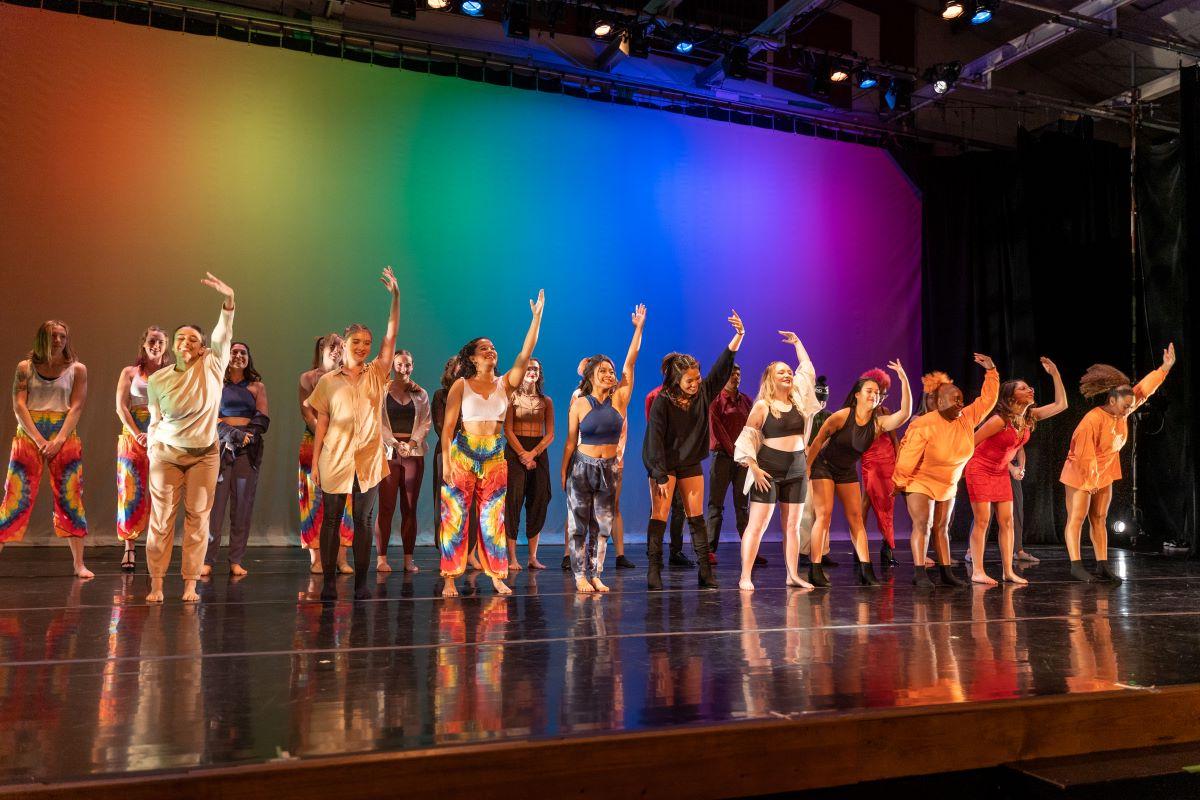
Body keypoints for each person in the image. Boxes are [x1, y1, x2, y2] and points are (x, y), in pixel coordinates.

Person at [439, 290, 545, 597]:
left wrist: (536, 319)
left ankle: (497, 575)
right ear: (472, 357)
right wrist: (446, 462)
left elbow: (525, 354)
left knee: (493, 516)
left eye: (493, 348)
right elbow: (447, 429)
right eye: (484, 349)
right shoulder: (461, 385)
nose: (491, 351)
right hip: (463, 452)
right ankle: (450, 576)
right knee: (456, 514)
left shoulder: (505, 383)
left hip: (495, 454)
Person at [306, 267, 401, 602]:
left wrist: (395, 298)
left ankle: (361, 583)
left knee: (363, 520)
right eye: (356, 342)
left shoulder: (377, 373)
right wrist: (315, 464)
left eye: (367, 343)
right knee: (331, 519)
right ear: (343, 344)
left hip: (369, 458)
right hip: (334, 456)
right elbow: (321, 426)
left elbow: (391, 336)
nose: (362, 347)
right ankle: (329, 583)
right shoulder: (327, 382)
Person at [144, 274, 237, 602]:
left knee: (198, 519)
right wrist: (152, 446)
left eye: (193, 339)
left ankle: (189, 585)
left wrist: (228, 301)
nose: (186, 342)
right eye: (180, 338)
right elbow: (155, 420)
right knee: (161, 519)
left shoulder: (213, 365)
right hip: (167, 453)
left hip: (204, 455)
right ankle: (156, 583)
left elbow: (223, 335)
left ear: (201, 348)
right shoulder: (157, 379)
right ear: (173, 345)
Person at [642, 311, 744, 590]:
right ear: (677, 380)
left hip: (689, 463)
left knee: (695, 516)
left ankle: (705, 572)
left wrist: (738, 337)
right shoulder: (663, 401)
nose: (696, 383)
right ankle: (654, 570)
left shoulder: (702, 393)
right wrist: (659, 474)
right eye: (690, 380)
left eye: (698, 378)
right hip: (664, 464)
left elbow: (721, 369)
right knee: (660, 514)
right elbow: (654, 439)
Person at [1060, 344, 1175, 583]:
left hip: (1103, 472)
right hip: (1080, 472)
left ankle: (1102, 565)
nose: (1128, 411)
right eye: (1125, 406)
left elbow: (1143, 391)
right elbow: (1084, 455)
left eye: (1130, 407)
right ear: (1112, 400)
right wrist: (1090, 481)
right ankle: (1076, 565)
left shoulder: (1123, 409)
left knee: (1100, 518)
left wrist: (1164, 368)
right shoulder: (1092, 420)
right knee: (1078, 517)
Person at [893, 354, 998, 588]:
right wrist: (899, 482)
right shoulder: (923, 424)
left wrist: (991, 371)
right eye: (955, 399)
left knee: (942, 528)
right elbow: (907, 456)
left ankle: (946, 572)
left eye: (961, 399)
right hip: (920, 480)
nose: (961, 403)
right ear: (939, 402)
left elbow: (987, 400)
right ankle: (920, 573)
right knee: (924, 524)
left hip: (948, 483)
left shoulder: (966, 418)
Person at [806, 360, 912, 587]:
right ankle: (815, 569)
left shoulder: (878, 423)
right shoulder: (842, 416)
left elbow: (904, 414)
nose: (874, 395)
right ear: (857, 394)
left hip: (845, 471)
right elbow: (816, 443)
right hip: (823, 466)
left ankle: (866, 570)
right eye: (869, 391)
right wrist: (807, 469)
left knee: (856, 519)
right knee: (824, 516)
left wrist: (904, 380)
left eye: (877, 392)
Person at [562, 305, 646, 593]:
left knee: (603, 526)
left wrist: (638, 329)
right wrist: (564, 472)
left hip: (609, 468)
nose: (610, 374)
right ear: (592, 376)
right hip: (582, 466)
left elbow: (630, 363)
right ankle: (579, 575)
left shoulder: (620, 398)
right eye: (604, 371)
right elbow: (570, 442)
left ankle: (596, 573)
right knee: (579, 525)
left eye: (611, 371)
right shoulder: (580, 403)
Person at [0, 320, 91, 577]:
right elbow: (19, 406)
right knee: (15, 495)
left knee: (71, 495)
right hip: (31, 433)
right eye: (53, 336)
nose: (58, 341)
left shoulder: (77, 369)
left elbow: (76, 407)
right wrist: (40, 440)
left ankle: (78, 564)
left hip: (63, 433)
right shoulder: (25, 368)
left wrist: (59, 440)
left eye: (62, 336)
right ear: (42, 338)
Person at [732, 332, 822, 592]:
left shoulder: (799, 401)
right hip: (768, 469)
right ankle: (745, 576)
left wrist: (798, 343)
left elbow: (807, 370)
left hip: (796, 468)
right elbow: (747, 438)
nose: (787, 374)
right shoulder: (762, 405)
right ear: (771, 378)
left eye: (788, 371)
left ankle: (792, 574)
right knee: (757, 525)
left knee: (793, 526)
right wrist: (754, 467)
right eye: (781, 372)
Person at [964, 357, 1066, 585]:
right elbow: (970, 444)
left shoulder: (1029, 418)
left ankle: (1008, 571)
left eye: (1029, 387)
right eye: (1022, 388)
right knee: (982, 520)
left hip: (999, 473)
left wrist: (1055, 374)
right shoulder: (999, 420)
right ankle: (978, 571)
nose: (1029, 389)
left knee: (1007, 521)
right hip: (980, 468)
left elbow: (1061, 405)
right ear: (1011, 397)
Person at [204, 341, 270, 576]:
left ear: (248, 358)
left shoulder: (256, 387)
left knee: (242, 506)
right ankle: (208, 559)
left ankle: (235, 560)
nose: (238, 355)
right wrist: (231, 434)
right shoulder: (216, 384)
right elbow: (210, 416)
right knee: (216, 507)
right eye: (234, 352)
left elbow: (262, 418)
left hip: (247, 448)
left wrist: (246, 437)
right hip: (221, 446)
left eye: (243, 352)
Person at [115, 326, 170, 571]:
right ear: (144, 343)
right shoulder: (130, 372)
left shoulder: (171, 373)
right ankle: (129, 547)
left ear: (166, 345)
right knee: (131, 493)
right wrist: (138, 434)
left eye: (160, 341)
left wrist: (157, 432)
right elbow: (121, 407)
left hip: (163, 437)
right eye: (151, 341)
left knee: (161, 493)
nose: (155, 345)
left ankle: (156, 547)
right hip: (133, 437)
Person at [298, 335, 354, 574]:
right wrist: (326, 438)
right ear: (321, 348)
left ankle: (341, 558)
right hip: (314, 443)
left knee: (346, 501)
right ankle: (317, 557)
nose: (337, 351)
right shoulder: (308, 378)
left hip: (344, 445)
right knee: (313, 500)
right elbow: (307, 413)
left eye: (341, 347)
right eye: (333, 346)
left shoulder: (349, 377)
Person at [378, 349, 431, 574]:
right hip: (389, 453)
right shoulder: (381, 390)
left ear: (412, 366)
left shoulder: (421, 394)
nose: (404, 369)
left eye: (408, 365)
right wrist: (393, 442)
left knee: (409, 507)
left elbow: (425, 422)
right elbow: (375, 420)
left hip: (413, 454)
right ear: (392, 366)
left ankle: (408, 559)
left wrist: (411, 443)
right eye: (399, 364)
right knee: (386, 507)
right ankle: (381, 558)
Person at [504, 357, 554, 571]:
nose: (532, 371)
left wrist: (533, 453)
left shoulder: (546, 401)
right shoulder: (511, 397)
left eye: (536, 369)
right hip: (516, 450)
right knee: (513, 500)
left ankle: (533, 557)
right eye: (529, 368)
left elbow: (550, 433)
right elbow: (507, 429)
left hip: (538, 451)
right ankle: (512, 557)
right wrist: (523, 454)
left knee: (539, 499)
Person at [643, 380, 692, 568]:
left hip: (682, 459)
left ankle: (676, 551)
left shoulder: (686, 396)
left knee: (680, 507)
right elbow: (653, 430)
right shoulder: (654, 396)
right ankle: (653, 550)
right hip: (662, 459)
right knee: (658, 506)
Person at [706, 365, 752, 564]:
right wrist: (737, 454)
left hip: (743, 461)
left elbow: (752, 429)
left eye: (738, 374)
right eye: (732, 373)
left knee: (742, 507)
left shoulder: (746, 401)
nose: (736, 377)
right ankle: (709, 550)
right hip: (723, 458)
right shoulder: (716, 401)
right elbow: (719, 431)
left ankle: (749, 549)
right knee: (716, 506)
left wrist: (747, 454)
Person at [857, 369, 901, 568]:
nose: (880, 397)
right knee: (866, 501)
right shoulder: (859, 412)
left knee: (887, 504)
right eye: (877, 392)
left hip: (889, 462)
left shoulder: (885, 412)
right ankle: (859, 548)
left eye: (883, 393)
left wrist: (900, 463)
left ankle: (887, 546)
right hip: (871, 462)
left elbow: (894, 440)